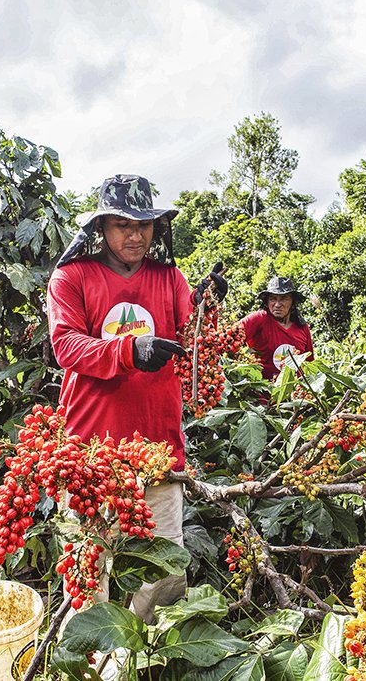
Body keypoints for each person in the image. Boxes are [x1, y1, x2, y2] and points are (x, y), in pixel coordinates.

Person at [46, 174, 225, 623]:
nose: (135, 235)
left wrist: (207, 303)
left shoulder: (170, 278)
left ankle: (147, 660)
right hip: (90, 449)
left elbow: (195, 339)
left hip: (157, 447)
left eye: (144, 225)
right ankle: (87, 661)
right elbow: (66, 346)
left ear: (157, 228)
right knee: (89, 569)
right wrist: (130, 349)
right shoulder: (71, 277)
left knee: (162, 568)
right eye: (123, 224)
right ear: (101, 226)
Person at [240, 276, 315, 380]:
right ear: (267, 302)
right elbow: (230, 337)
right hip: (260, 392)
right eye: (273, 299)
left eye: (284, 299)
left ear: (292, 302)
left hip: (294, 392)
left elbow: (309, 363)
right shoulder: (258, 319)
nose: (277, 304)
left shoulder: (302, 327)